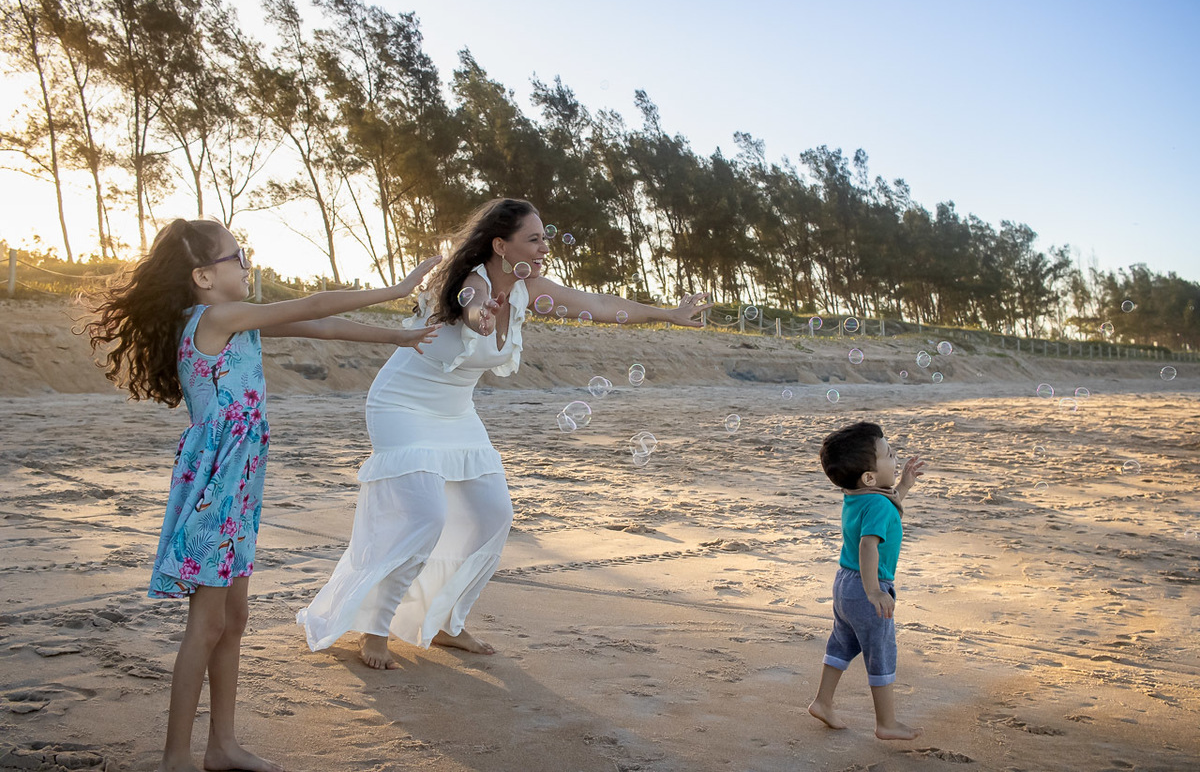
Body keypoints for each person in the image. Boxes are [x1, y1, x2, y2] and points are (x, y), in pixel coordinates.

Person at [85, 218, 440, 772]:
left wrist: (399, 337)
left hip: (240, 483)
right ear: (203, 276)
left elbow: (321, 328)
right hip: (216, 486)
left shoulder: (234, 322)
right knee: (205, 624)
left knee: (234, 616)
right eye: (237, 256)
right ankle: (176, 757)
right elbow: (312, 304)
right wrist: (395, 291)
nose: (248, 265)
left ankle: (221, 745)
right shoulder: (216, 317)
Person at [297, 197, 713, 670]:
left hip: (455, 412)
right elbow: (471, 307)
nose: (543, 249)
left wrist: (669, 312)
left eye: (544, 239)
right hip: (402, 404)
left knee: (492, 514)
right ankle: (375, 629)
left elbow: (598, 304)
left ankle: (444, 622)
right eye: (533, 239)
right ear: (500, 244)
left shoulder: (528, 288)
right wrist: (480, 318)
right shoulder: (472, 281)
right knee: (424, 517)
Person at [807, 421, 926, 741]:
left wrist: (904, 486)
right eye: (888, 454)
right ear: (870, 477)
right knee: (881, 651)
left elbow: (887, 507)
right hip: (866, 587)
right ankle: (886, 723)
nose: (895, 456)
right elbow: (868, 544)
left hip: (845, 584)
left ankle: (822, 701)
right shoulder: (876, 502)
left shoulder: (858, 496)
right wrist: (874, 590)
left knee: (842, 644)